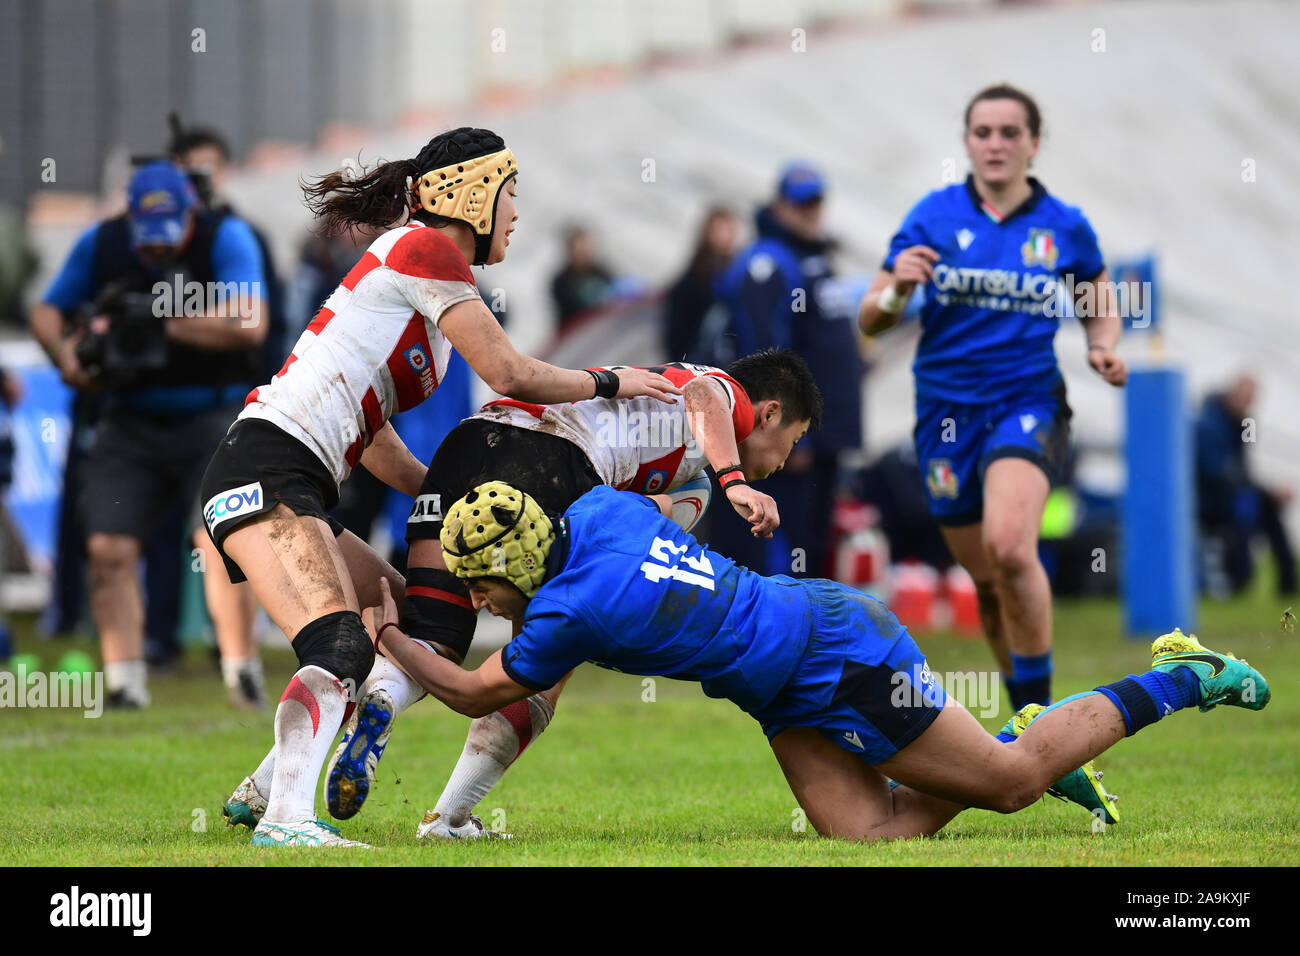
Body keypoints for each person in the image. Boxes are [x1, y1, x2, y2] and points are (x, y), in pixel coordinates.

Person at [199, 126, 678, 847]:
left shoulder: (425, 277)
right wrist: (609, 382)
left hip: (289, 475)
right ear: (473, 192)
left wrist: (447, 491)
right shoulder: (426, 251)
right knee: (337, 645)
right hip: (266, 468)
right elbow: (513, 375)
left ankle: (262, 788)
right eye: (512, 194)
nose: (517, 214)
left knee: (412, 624)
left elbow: (375, 439)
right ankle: (287, 821)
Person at [363, 480, 1266, 842]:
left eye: (481, 586)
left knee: (1013, 784)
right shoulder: (598, 509)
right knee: (870, 838)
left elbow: (469, 688)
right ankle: (997, 737)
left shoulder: (568, 611)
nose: (478, 601)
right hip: (784, 676)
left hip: (836, 653)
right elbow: (673, 508)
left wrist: (387, 633)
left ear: (519, 564)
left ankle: (1187, 676)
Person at [222, 348, 822, 837]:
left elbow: (636, 517)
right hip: (550, 464)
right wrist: (737, 479)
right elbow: (706, 397)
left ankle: (270, 785)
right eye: (793, 441)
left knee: (435, 635)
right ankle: (450, 817)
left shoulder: (695, 480)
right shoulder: (718, 398)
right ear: (769, 413)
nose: (786, 460)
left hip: (468, 446)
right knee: (541, 666)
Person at [858, 85, 1128, 710]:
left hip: (1027, 401)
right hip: (946, 416)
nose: (996, 144)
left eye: (1010, 132)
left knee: (1011, 547)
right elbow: (872, 321)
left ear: (1034, 143)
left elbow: (1098, 300)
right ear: (967, 143)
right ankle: (1024, 703)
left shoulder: (1065, 225)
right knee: (984, 580)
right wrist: (898, 289)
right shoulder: (932, 215)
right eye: (984, 132)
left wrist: (1102, 345)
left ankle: (1043, 720)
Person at [29, 160, 268, 709]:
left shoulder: (223, 237)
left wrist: (160, 321)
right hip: (129, 416)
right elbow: (46, 310)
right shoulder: (105, 242)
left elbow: (250, 319)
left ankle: (240, 670)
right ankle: (124, 682)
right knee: (108, 546)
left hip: (211, 415)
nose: (158, 250)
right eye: (148, 240)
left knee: (218, 542)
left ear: (190, 213)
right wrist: (65, 354)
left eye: (168, 238)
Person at [709, 161, 865, 578]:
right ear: (779, 206)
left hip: (822, 437)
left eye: (816, 201)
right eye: (801, 202)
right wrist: (782, 433)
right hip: (790, 443)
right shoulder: (768, 264)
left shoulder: (816, 258)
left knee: (812, 546)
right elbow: (764, 356)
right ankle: (766, 632)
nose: (811, 210)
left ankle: (801, 631)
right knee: (776, 546)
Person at [1196, 374, 1296, 596]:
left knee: (1268, 510)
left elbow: (1242, 470)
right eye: (1245, 399)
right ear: (1233, 394)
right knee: (1246, 513)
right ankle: (1241, 580)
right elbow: (1217, 473)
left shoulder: (1240, 424)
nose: (1248, 406)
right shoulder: (1208, 424)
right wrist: (1266, 492)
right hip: (1211, 501)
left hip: (1232, 496)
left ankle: (1287, 583)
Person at [664, 205, 739, 360]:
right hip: (695, 354)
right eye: (719, 230)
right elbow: (677, 327)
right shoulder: (693, 278)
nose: (724, 237)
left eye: (728, 230)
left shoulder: (737, 269)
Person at [549, 225, 614, 332]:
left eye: (586, 247)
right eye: (578, 248)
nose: (583, 252)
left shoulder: (604, 274)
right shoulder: (561, 281)